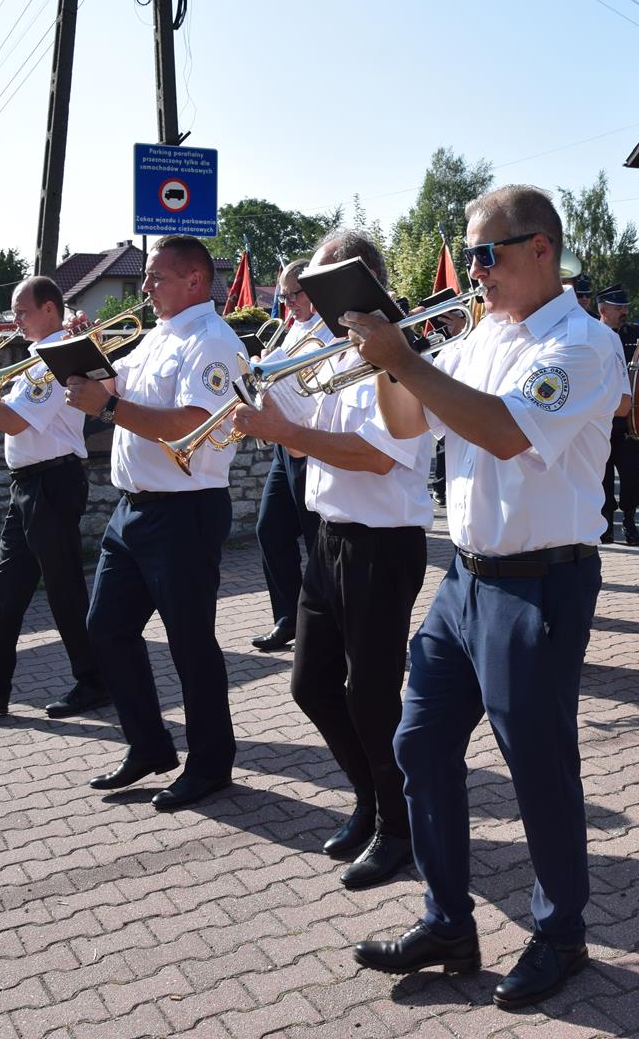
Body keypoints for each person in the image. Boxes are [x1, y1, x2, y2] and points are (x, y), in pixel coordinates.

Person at [346, 185, 622, 1009]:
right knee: (419, 743)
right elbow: (406, 425)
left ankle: (561, 932)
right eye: (469, 254)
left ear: (544, 250)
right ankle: (448, 921)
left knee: (538, 769)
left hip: (541, 583)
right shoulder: (478, 336)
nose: (475, 270)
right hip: (465, 578)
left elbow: (504, 430)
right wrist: (387, 364)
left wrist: (407, 360)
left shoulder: (581, 344)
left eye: (488, 254)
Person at [229, 230, 432, 891]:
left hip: (383, 542)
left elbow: (378, 455)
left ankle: (399, 827)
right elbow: (298, 433)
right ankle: (372, 801)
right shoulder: (334, 348)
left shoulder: (402, 354)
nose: (309, 302)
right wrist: (259, 392)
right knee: (310, 684)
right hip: (330, 535)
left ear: (358, 282)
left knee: (372, 696)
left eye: (321, 287)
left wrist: (286, 430)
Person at [64, 235, 242, 811]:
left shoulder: (213, 341)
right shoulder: (157, 338)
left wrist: (109, 407)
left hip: (185, 511)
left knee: (191, 645)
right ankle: (149, 746)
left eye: (156, 277)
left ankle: (211, 766)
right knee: (107, 630)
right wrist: (83, 363)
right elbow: (118, 388)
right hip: (134, 509)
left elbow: (191, 422)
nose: (145, 287)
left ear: (195, 280)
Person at [0, 276, 106, 718]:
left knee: (64, 590)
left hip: (53, 482)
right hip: (29, 485)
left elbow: (13, 423)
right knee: (6, 590)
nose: (16, 321)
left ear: (50, 309)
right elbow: (7, 407)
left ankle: (94, 681)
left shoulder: (57, 360)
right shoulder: (33, 360)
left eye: (22, 312)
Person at [250, 259, 328, 652]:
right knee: (270, 529)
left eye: (293, 294)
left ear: (313, 291)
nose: (287, 302)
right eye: (283, 295)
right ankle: (288, 617)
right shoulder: (294, 326)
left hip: (311, 442)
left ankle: (327, 623)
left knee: (318, 541)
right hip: (285, 446)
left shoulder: (328, 330)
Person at [597, 285, 639, 545]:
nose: (625, 312)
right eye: (619, 308)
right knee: (602, 474)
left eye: (626, 307)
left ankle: (629, 517)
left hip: (628, 418)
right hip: (601, 418)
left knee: (630, 473)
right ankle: (605, 522)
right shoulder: (592, 335)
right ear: (603, 310)